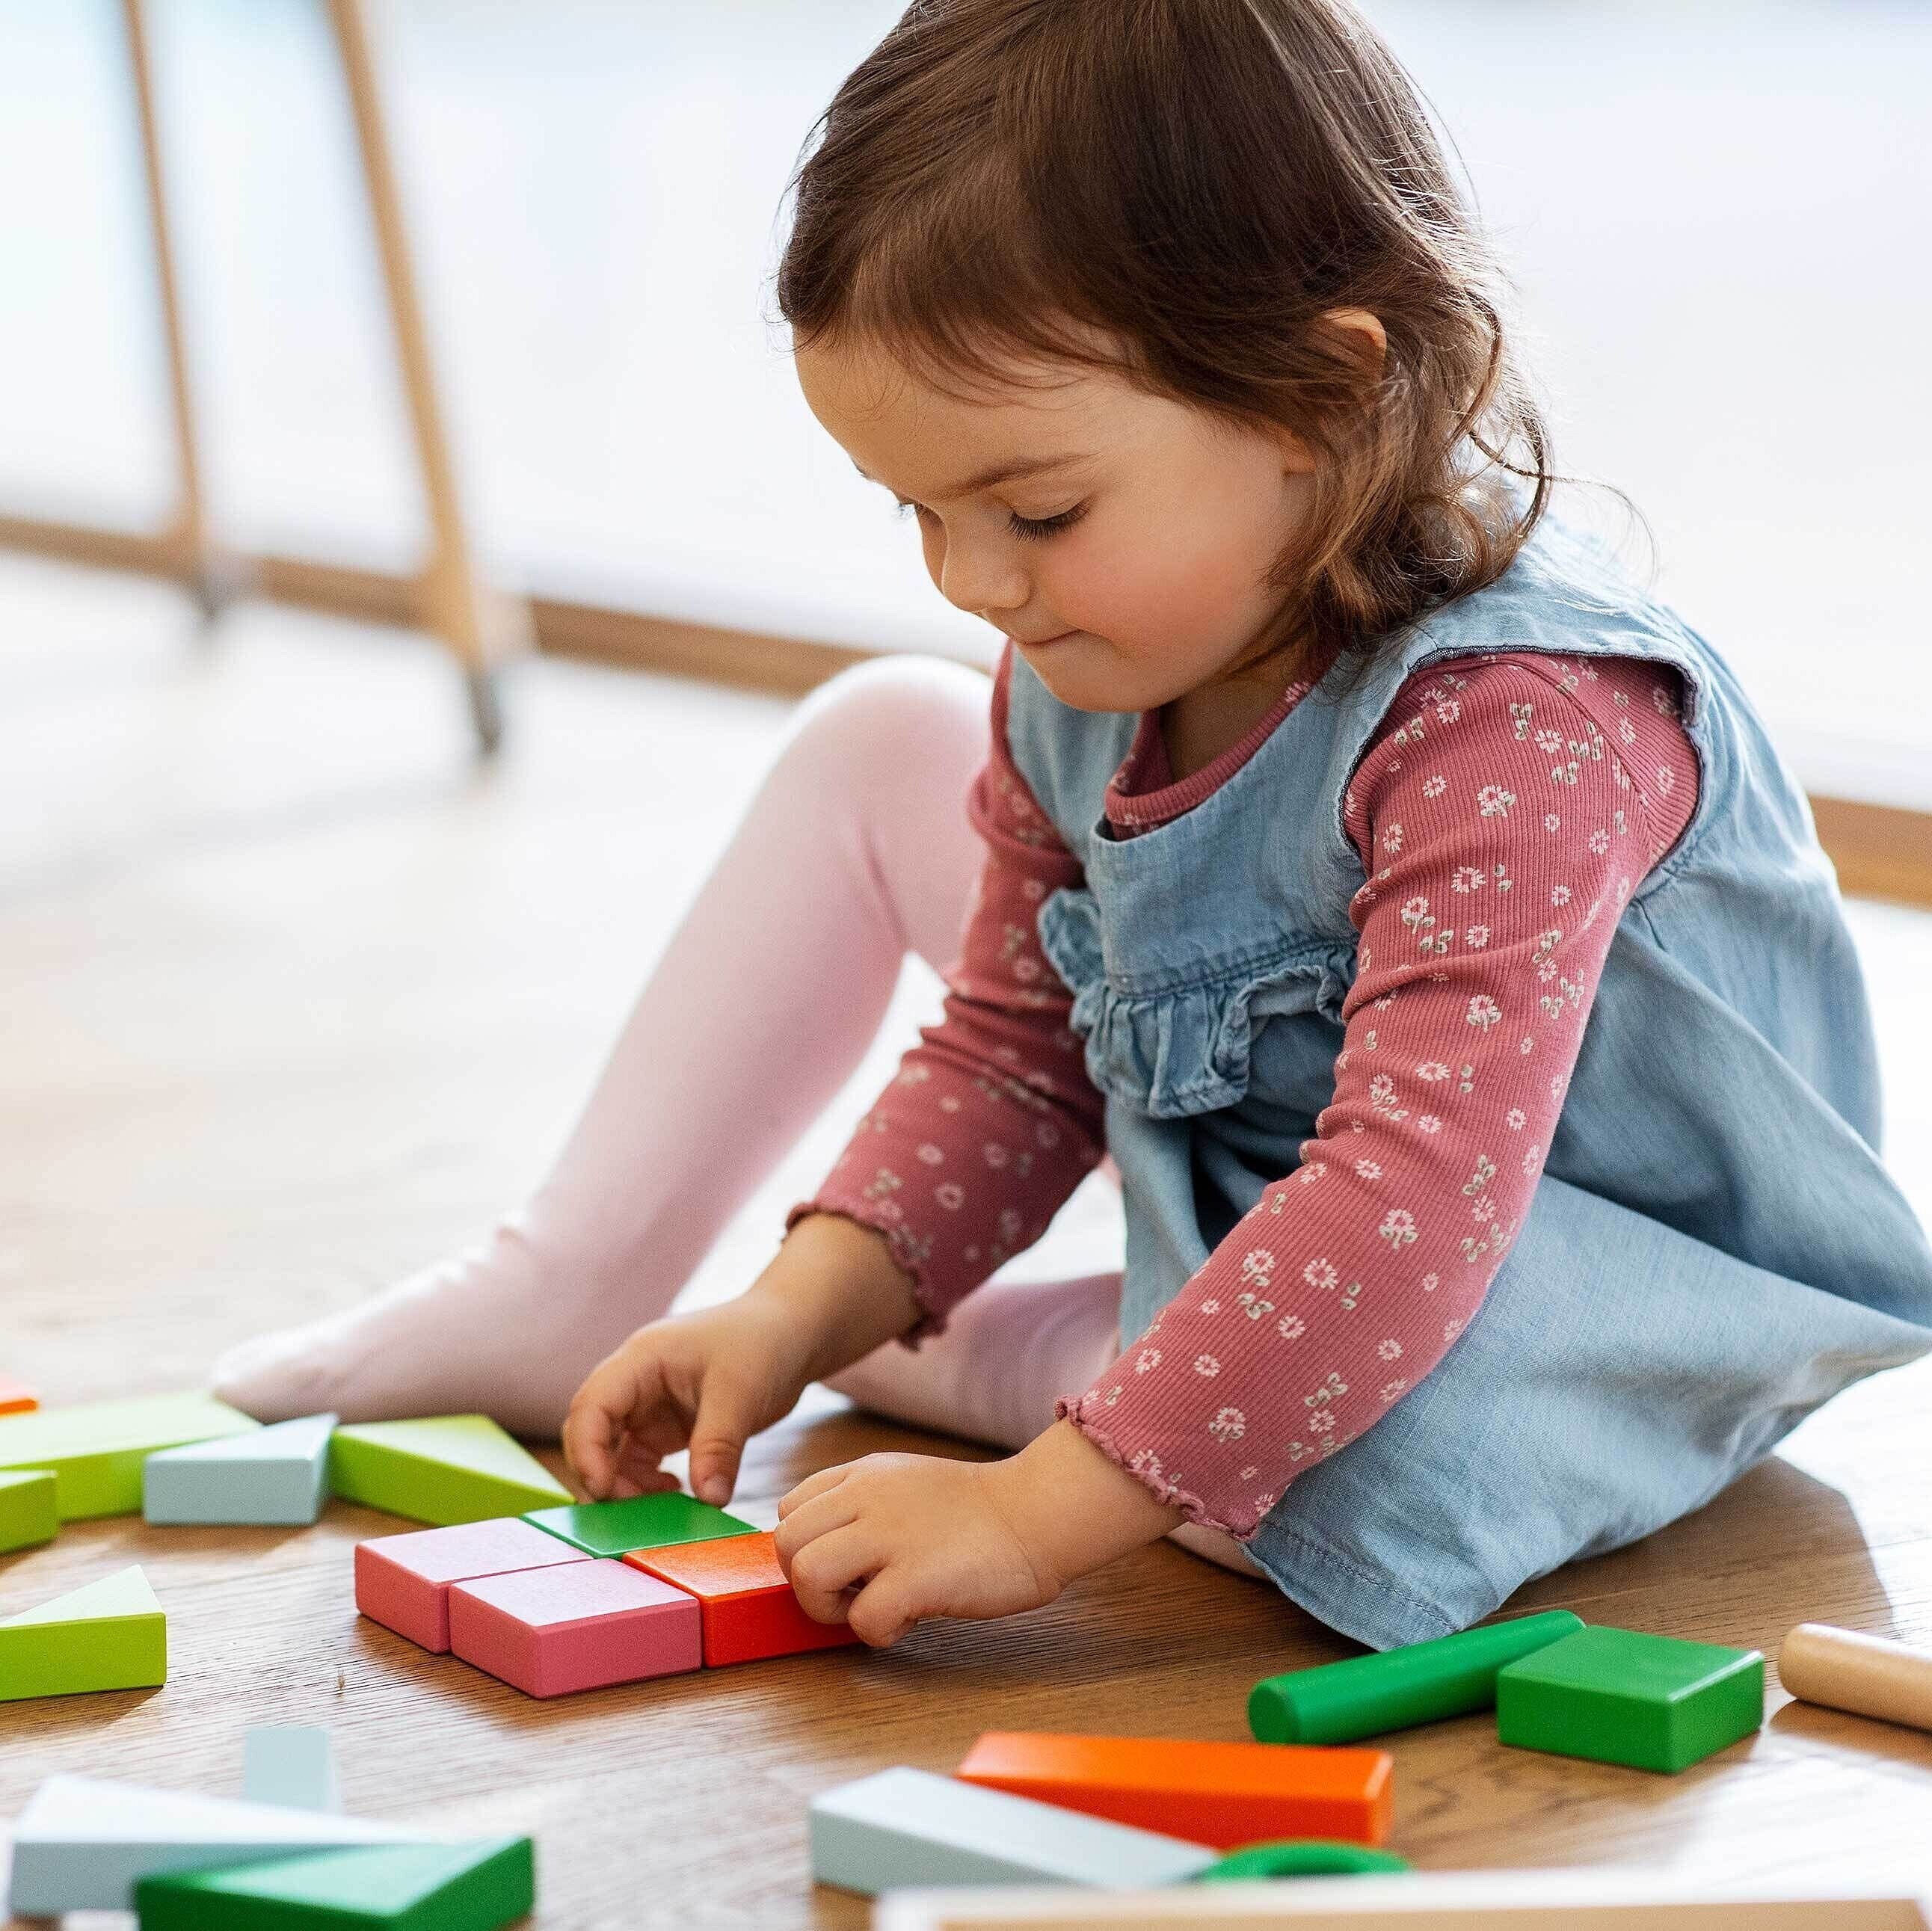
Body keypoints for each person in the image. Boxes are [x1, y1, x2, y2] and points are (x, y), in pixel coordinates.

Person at [214, 0, 1932, 1652]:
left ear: (1323, 402)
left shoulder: (1521, 721)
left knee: (1350, 1457)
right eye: (917, 508)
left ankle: (1108, 1391)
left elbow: (1407, 1195)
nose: (970, 578)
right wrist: (800, 1304)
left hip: (1566, 1258)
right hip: (1278, 1174)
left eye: (1032, 506)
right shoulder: (1100, 643)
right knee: (869, 750)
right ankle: (634, 1280)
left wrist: (1036, 1516)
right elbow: (1016, 1045)